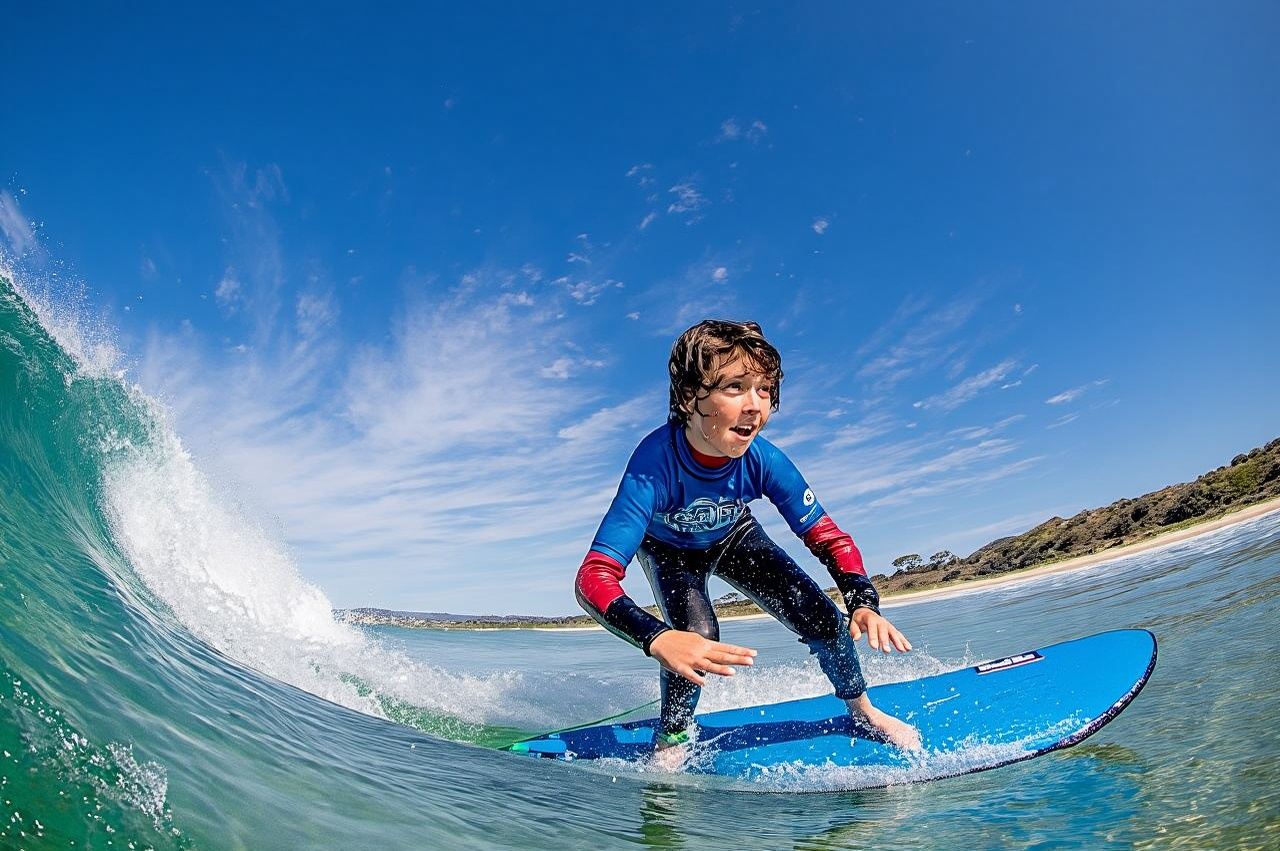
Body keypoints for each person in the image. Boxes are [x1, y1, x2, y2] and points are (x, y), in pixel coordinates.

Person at [574, 319, 921, 765]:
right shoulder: (652, 466)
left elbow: (827, 536)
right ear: (688, 397)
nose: (755, 405)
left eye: (764, 390)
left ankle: (862, 709)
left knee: (825, 619)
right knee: (695, 638)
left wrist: (863, 601)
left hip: (733, 535)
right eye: (735, 387)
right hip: (667, 548)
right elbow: (593, 578)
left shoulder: (764, 460)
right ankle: (672, 738)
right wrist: (656, 637)